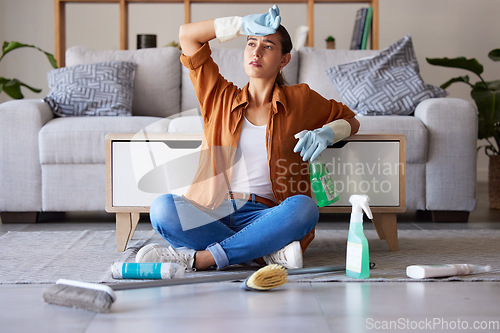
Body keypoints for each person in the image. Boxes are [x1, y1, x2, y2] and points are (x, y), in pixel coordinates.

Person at [136, 5, 359, 271]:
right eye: (251, 43)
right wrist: (241, 24)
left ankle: (204, 258)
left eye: (268, 46)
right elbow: (188, 36)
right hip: (214, 210)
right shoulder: (219, 96)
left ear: (284, 59)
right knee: (163, 208)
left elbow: (350, 119)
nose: (256, 51)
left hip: (266, 216)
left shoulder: (300, 99)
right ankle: (263, 254)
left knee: (304, 207)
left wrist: (327, 133)